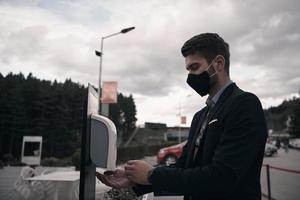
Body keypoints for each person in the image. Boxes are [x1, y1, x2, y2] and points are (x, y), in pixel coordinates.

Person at [96, 33, 268, 200]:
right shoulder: (200, 116)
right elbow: (183, 168)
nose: (190, 76)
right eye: (188, 69)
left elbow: (222, 177)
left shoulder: (244, 104)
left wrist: (151, 175)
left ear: (219, 63)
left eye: (194, 67)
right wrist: (135, 179)